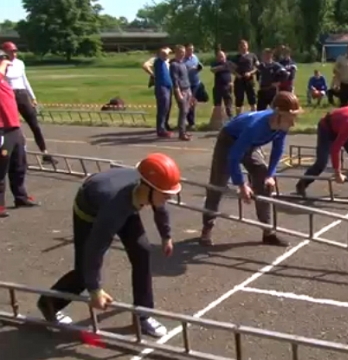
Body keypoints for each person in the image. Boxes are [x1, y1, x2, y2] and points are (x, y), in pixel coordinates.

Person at [36, 153, 182, 337]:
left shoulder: (150, 189)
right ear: (148, 188)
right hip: (91, 209)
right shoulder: (113, 210)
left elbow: (160, 207)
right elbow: (95, 249)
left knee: (142, 251)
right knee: (84, 273)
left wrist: (166, 236)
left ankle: (142, 316)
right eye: (166, 195)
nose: (169, 199)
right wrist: (95, 289)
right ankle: (49, 303)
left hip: (126, 202)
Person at [200, 91, 302, 247]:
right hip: (228, 141)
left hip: (250, 145)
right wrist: (241, 185)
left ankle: (268, 232)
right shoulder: (255, 127)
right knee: (217, 185)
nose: (293, 123)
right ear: (278, 114)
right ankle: (207, 228)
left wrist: (270, 174)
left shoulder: (282, 125)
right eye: (290, 118)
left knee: (263, 178)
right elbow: (234, 156)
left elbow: (278, 149)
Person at [1, 41, 56, 164]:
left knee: (34, 125)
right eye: (11, 51)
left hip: (22, 94)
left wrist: (33, 96)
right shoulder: (2, 65)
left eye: (15, 51)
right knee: (14, 127)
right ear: (4, 52)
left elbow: (24, 80)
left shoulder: (20, 63)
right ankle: (16, 154)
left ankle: (45, 153)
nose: (14, 54)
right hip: (10, 96)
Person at [0, 48, 39, 218]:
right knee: (1, 168)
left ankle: (20, 196)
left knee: (19, 165)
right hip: (2, 130)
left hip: (13, 128)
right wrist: (4, 63)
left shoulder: (5, 82)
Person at [169, 45, 192, 141]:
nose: (182, 54)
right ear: (176, 53)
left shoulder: (183, 64)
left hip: (187, 89)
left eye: (183, 52)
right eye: (180, 52)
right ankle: (181, 133)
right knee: (183, 111)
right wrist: (178, 92)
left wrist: (190, 92)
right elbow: (175, 80)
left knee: (186, 111)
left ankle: (184, 130)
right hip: (181, 90)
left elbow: (186, 78)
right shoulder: (174, 65)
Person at [230, 40, 259, 115]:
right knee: (239, 100)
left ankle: (254, 117)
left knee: (252, 99)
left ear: (247, 46)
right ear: (239, 47)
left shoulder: (252, 56)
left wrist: (250, 73)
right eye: (241, 45)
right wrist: (237, 75)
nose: (243, 47)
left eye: (244, 45)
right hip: (239, 80)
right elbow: (231, 68)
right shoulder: (236, 57)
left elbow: (257, 67)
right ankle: (239, 118)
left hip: (249, 80)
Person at [152, 48, 173, 137]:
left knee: (166, 108)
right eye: (164, 55)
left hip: (168, 87)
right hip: (161, 87)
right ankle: (160, 129)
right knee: (163, 108)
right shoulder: (158, 62)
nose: (166, 56)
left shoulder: (165, 63)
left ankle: (163, 127)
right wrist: (167, 49)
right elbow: (164, 52)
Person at [210, 50, 234, 118]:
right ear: (217, 57)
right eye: (219, 56)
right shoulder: (215, 64)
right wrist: (223, 66)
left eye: (222, 56)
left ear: (225, 56)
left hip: (227, 86)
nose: (221, 58)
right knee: (217, 105)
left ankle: (230, 118)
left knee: (228, 104)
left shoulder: (229, 63)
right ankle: (217, 121)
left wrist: (232, 82)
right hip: (218, 87)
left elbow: (234, 72)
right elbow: (212, 70)